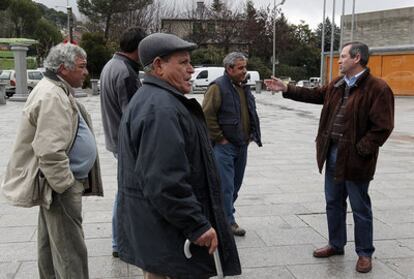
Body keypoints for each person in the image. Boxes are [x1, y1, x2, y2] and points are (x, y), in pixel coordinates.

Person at [117, 33, 241, 279]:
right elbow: (165, 180)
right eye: (183, 62)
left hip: (159, 226)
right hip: (166, 228)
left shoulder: (156, 100)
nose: (191, 69)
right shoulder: (160, 108)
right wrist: (197, 225)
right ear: (159, 66)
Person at [264, 41, 394, 273]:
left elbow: (382, 127)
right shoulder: (337, 83)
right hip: (332, 153)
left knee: (360, 207)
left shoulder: (377, 88)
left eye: (343, 56)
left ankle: (365, 253)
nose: (339, 60)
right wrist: (287, 88)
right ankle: (336, 244)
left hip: (356, 159)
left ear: (356, 58)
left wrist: (361, 150)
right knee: (333, 203)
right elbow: (316, 94)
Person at [1, 43, 103, 278]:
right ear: (63, 68)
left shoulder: (56, 88)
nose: (86, 72)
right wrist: (65, 185)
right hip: (60, 186)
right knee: (70, 251)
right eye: (81, 67)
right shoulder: (52, 95)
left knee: (52, 245)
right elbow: (49, 151)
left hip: (57, 184)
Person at [202, 52, 262, 236]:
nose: (245, 71)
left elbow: (250, 111)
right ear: (229, 69)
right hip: (224, 147)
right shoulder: (217, 87)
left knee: (235, 186)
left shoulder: (243, 86)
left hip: (241, 145)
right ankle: (228, 222)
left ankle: (221, 216)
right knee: (225, 187)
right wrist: (220, 138)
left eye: (245, 66)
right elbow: (207, 114)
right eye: (241, 67)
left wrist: (252, 134)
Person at [100, 26, 146, 257]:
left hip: (116, 139)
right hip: (126, 143)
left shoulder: (111, 65)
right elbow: (133, 116)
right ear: (138, 48)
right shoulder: (126, 72)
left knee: (125, 192)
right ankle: (120, 243)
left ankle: (121, 241)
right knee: (127, 193)